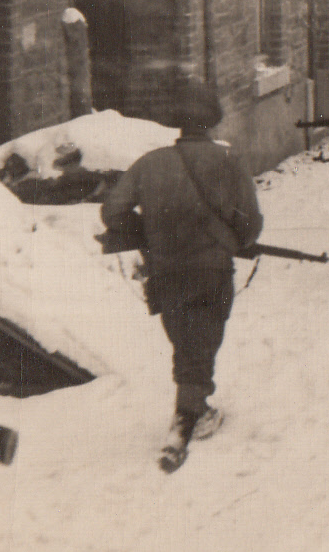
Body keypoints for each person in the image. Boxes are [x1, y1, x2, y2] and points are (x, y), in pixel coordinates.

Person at [99, 80, 262, 460]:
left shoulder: (149, 164)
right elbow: (250, 223)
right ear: (212, 122)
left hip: (166, 271)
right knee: (202, 339)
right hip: (211, 269)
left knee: (186, 340)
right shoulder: (228, 162)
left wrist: (148, 232)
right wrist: (234, 239)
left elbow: (112, 212)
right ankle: (188, 415)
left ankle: (191, 407)